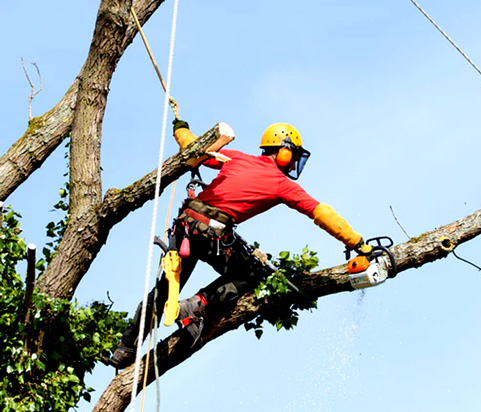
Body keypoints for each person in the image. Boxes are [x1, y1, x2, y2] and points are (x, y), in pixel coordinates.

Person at [108, 120, 370, 369]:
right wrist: (358, 242)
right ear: (285, 153)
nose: (291, 167)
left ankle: (125, 348)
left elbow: (195, 146)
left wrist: (181, 129)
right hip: (212, 234)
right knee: (252, 275)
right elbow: (321, 213)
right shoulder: (282, 184)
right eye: (292, 157)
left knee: (165, 291)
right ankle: (197, 304)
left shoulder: (237, 157)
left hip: (186, 226)